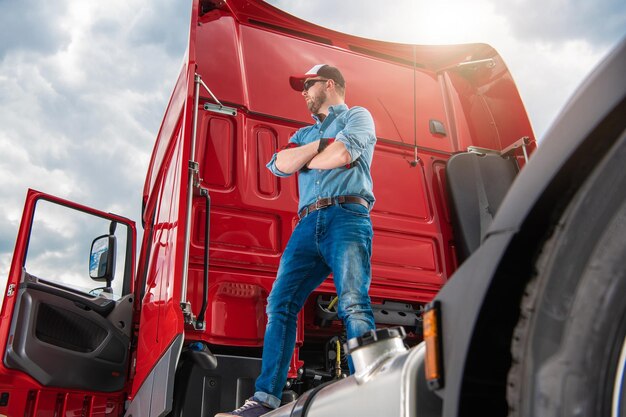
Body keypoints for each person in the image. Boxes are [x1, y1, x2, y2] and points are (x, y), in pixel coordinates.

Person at [216, 64, 377, 417]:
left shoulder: (359, 117)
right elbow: (279, 164)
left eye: (308, 85)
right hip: (306, 225)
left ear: (329, 84)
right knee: (280, 304)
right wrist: (319, 146)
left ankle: (369, 392)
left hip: (347, 216)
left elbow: (343, 154)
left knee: (352, 300)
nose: (303, 92)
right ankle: (264, 400)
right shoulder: (304, 133)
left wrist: (313, 156)